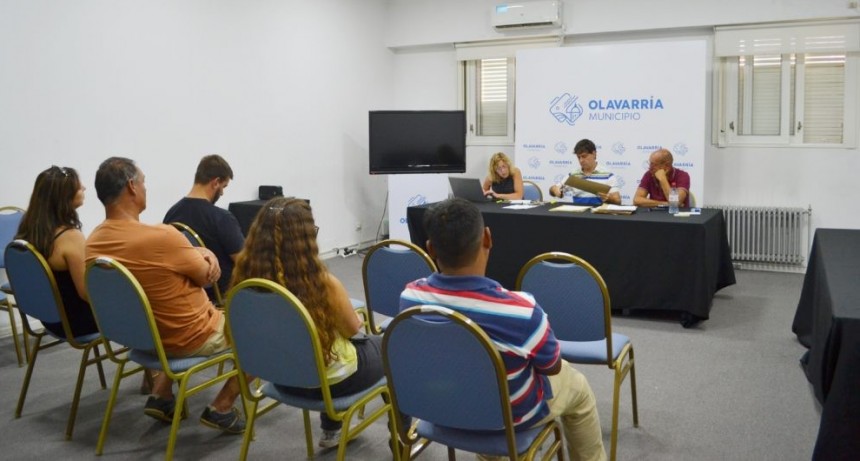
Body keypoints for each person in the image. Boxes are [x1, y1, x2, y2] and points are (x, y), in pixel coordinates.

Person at [400, 198, 606, 461]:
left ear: (430, 248)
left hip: (440, 408)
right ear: (487, 238)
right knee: (577, 386)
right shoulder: (521, 310)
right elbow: (552, 367)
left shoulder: (410, 297)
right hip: (510, 419)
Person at [85, 157, 245, 434]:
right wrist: (204, 253)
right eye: (144, 182)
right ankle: (222, 406)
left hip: (141, 338)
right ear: (132, 187)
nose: (146, 188)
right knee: (262, 330)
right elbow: (209, 276)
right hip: (191, 336)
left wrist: (194, 252)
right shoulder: (162, 237)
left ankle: (162, 395)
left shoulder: (93, 242)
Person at [230, 197, 381, 448]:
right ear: (305, 239)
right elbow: (353, 331)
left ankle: (332, 430)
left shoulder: (245, 280)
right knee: (389, 347)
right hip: (329, 386)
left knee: (322, 346)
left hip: (279, 378)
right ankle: (406, 435)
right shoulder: (323, 283)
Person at [15, 166, 99, 338]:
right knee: (149, 307)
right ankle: (155, 363)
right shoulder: (70, 236)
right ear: (64, 196)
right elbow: (87, 293)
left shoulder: (30, 230)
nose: (84, 187)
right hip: (77, 323)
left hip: (50, 319)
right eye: (78, 186)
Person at [163, 154, 244, 302]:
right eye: (223, 186)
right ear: (216, 182)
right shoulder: (222, 218)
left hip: (185, 295)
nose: (222, 192)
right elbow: (244, 261)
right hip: (220, 299)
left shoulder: (171, 213)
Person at [549, 139, 621, 205]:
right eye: (578, 157)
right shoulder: (573, 175)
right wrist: (555, 190)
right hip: (578, 215)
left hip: (599, 215)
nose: (581, 160)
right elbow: (552, 190)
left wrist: (609, 198)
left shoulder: (607, 175)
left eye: (584, 156)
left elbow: (618, 201)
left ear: (594, 154)